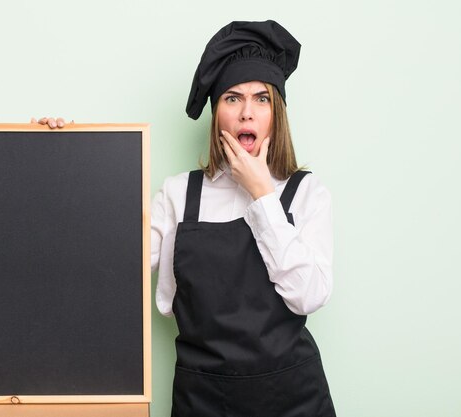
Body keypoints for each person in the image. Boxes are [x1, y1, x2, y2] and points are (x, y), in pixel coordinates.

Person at [37, 19, 336, 417]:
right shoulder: (179, 193)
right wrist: (56, 157)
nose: (247, 113)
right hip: (203, 401)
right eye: (232, 98)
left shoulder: (307, 193)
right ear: (217, 114)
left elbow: (309, 295)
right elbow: (104, 268)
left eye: (261, 98)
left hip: (295, 399)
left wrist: (262, 193)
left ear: (276, 112)